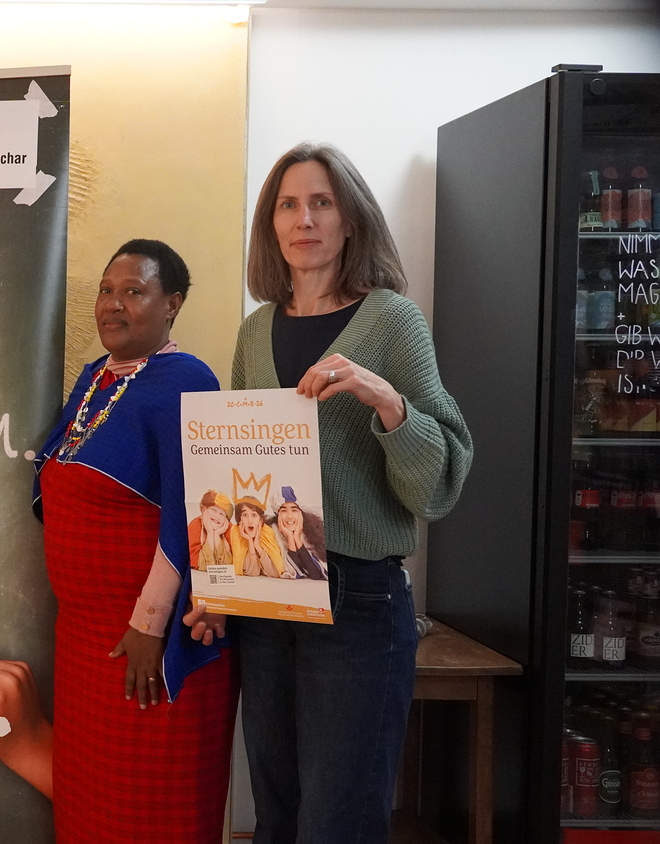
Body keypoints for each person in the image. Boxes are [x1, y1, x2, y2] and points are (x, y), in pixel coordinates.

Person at [231, 143, 472, 844]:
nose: (304, 219)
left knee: (336, 825)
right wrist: (216, 585)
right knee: (276, 818)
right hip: (265, 598)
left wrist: (386, 401)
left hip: (357, 604)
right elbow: (239, 464)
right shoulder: (255, 330)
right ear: (271, 224)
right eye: (288, 204)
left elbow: (439, 484)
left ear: (351, 220)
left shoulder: (393, 321)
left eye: (322, 202)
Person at [27, 239, 234, 842]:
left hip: (145, 640)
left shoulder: (187, 381)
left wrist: (149, 625)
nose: (112, 304)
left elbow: (196, 512)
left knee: (147, 808)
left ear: (172, 304)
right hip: (83, 638)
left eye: (134, 292)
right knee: (87, 801)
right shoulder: (96, 379)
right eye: (106, 290)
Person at [271, 486, 327, 581]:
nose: (289, 516)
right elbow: (294, 571)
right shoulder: (273, 533)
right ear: (277, 513)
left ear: (300, 513)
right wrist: (290, 538)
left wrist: (297, 538)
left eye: (294, 510)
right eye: (284, 511)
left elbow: (315, 574)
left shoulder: (313, 532)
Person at [232, 495, 287, 578]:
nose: (250, 521)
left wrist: (257, 546)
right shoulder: (237, 534)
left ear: (260, 520)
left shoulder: (267, 533)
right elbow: (253, 572)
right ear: (240, 521)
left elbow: (275, 573)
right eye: (245, 515)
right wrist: (250, 541)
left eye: (254, 515)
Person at [188, 490, 234, 572]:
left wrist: (216, 535)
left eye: (221, 514)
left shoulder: (229, 529)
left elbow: (227, 566)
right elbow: (202, 565)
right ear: (204, 510)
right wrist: (210, 533)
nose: (217, 516)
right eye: (213, 510)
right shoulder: (195, 526)